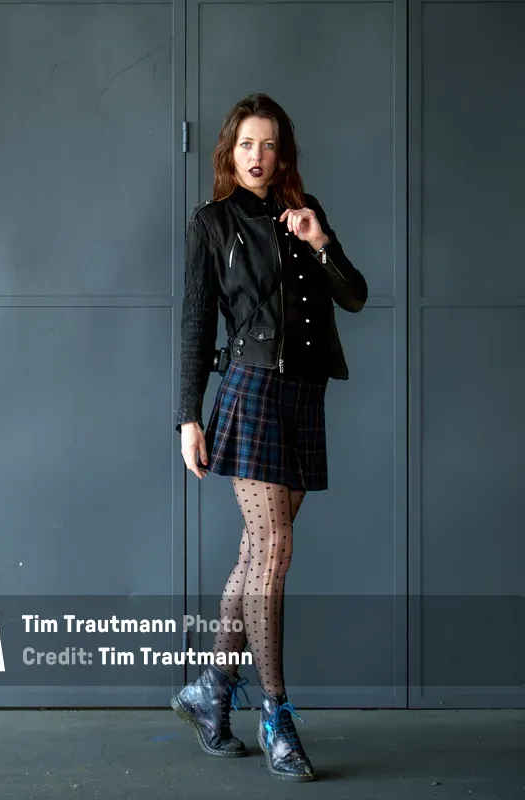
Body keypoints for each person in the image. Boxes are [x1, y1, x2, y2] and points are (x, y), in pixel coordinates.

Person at [168, 93, 368, 782]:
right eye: (247, 144)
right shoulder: (213, 224)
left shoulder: (303, 213)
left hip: (304, 396)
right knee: (275, 550)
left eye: (271, 145)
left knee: (259, 550)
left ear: (283, 155)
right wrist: (188, 417)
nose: (259, 155)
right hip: (250, 393)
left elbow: (355, 294)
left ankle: (210, 691)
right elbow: (196, 325)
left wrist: (320, 241)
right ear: (230, 152)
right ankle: (277, 711)